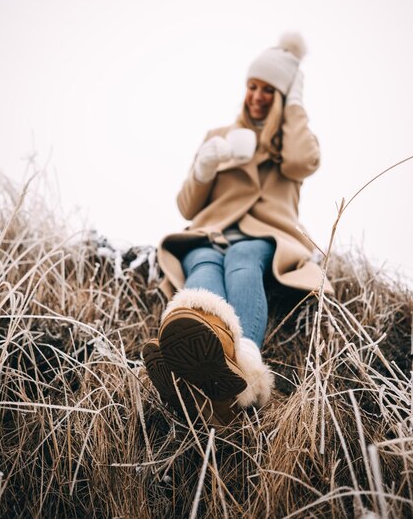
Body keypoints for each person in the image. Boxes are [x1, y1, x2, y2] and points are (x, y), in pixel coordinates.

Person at [142, 32, 334, 425]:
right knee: (204, 266)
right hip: (209, 233)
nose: (257, 96)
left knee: (244, 259)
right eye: (252, 86)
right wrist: (203, 169)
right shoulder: (219, 138)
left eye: (269, 90)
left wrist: (295, 104)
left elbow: (302, 161)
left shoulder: (291, 143)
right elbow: (187, 206)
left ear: (282, 97)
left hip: (264, 235)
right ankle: (194, 348)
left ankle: (239, 364)